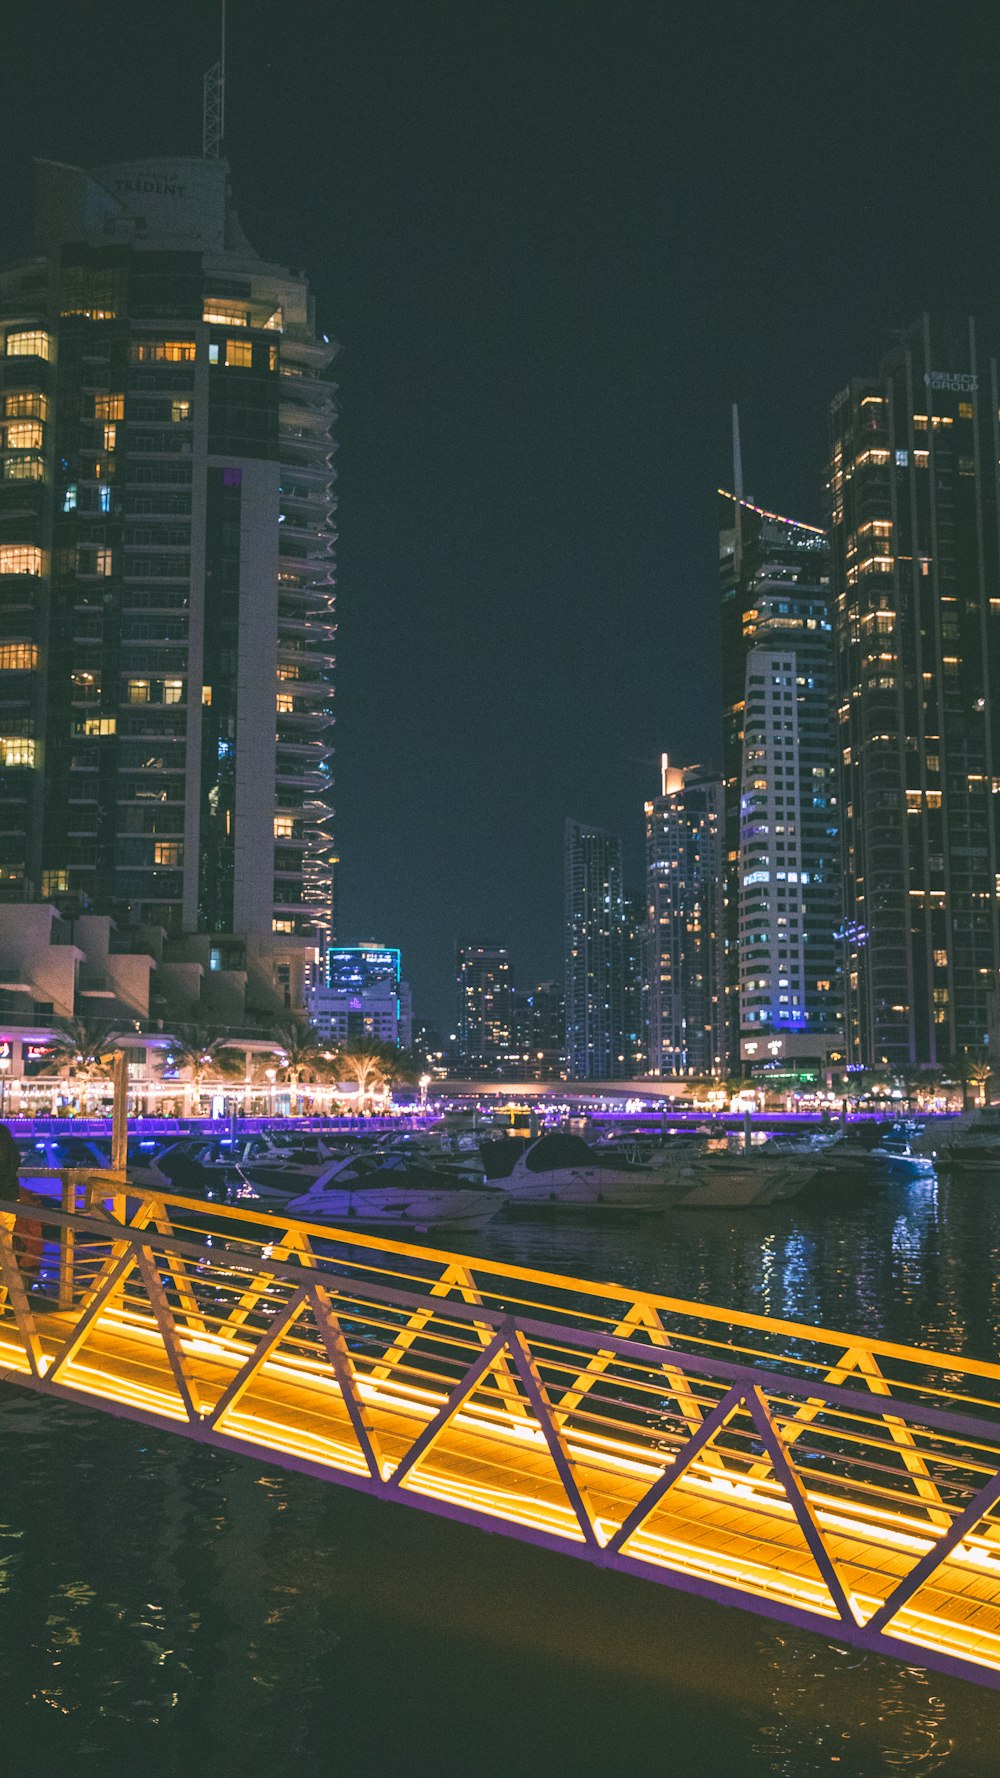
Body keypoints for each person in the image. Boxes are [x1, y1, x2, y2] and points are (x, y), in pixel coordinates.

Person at [0, 1124, 44, 1284]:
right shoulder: (4, 1133)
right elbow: (15, 1161)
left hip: (5, 1197)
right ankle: (2, 1299)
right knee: (5, 1251)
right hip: (9, 1198)